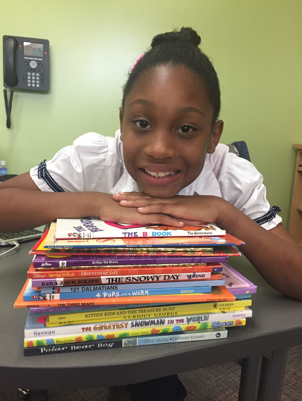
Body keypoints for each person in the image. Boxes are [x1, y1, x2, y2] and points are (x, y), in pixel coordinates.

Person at [1, 27, 302, 400]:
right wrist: (95, 202)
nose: (160, 149)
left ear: (213, 135)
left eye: (187, 129)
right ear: (123, 121)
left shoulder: (230, 174)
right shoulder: (94, 158)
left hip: (178, 323)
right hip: (85, 311)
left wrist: (225, 213)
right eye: (142, 124)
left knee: (151, 381)